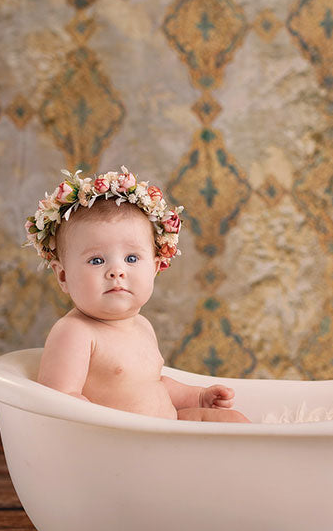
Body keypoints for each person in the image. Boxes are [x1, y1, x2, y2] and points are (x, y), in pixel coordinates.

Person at [24, 166, 250, 423]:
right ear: (63, 275)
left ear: (155, 267)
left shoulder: (142, 326)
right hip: (121, 444)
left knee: (233, 420)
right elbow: (60, 401)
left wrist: (196, 397)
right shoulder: (75, 333)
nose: (116, 271)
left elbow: (153, 384)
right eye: (97, 260)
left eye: (131, 258)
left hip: (164, 430)